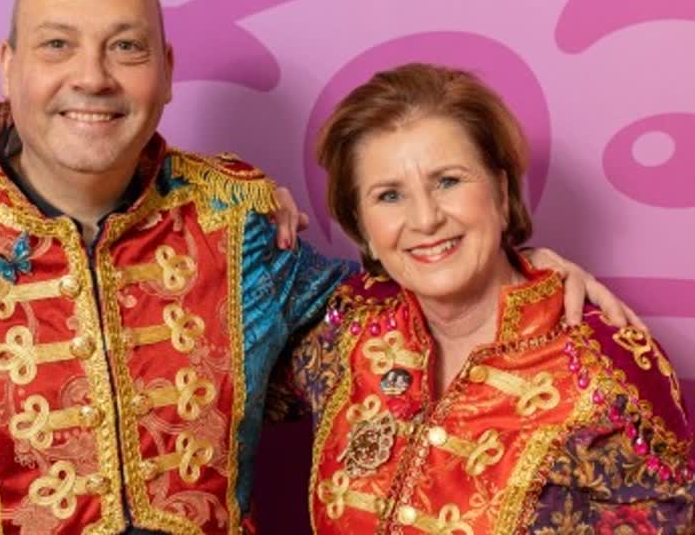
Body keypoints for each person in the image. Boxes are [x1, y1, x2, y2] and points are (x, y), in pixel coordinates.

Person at [0, 0, 639, 534]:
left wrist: (515, 267)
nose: (92, 77)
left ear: (166, 71)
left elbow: (396, 303)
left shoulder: (239, 229)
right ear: (9, 65)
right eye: (58, 44)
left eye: (126, 47)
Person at [276, 63, 694, 533]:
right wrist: (261, 206)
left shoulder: (603, 368)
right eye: (389, 195)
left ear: (500, 190)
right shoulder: (344, 328)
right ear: (362, 227)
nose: (425, 219)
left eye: (448, 181)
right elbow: (218, 362)